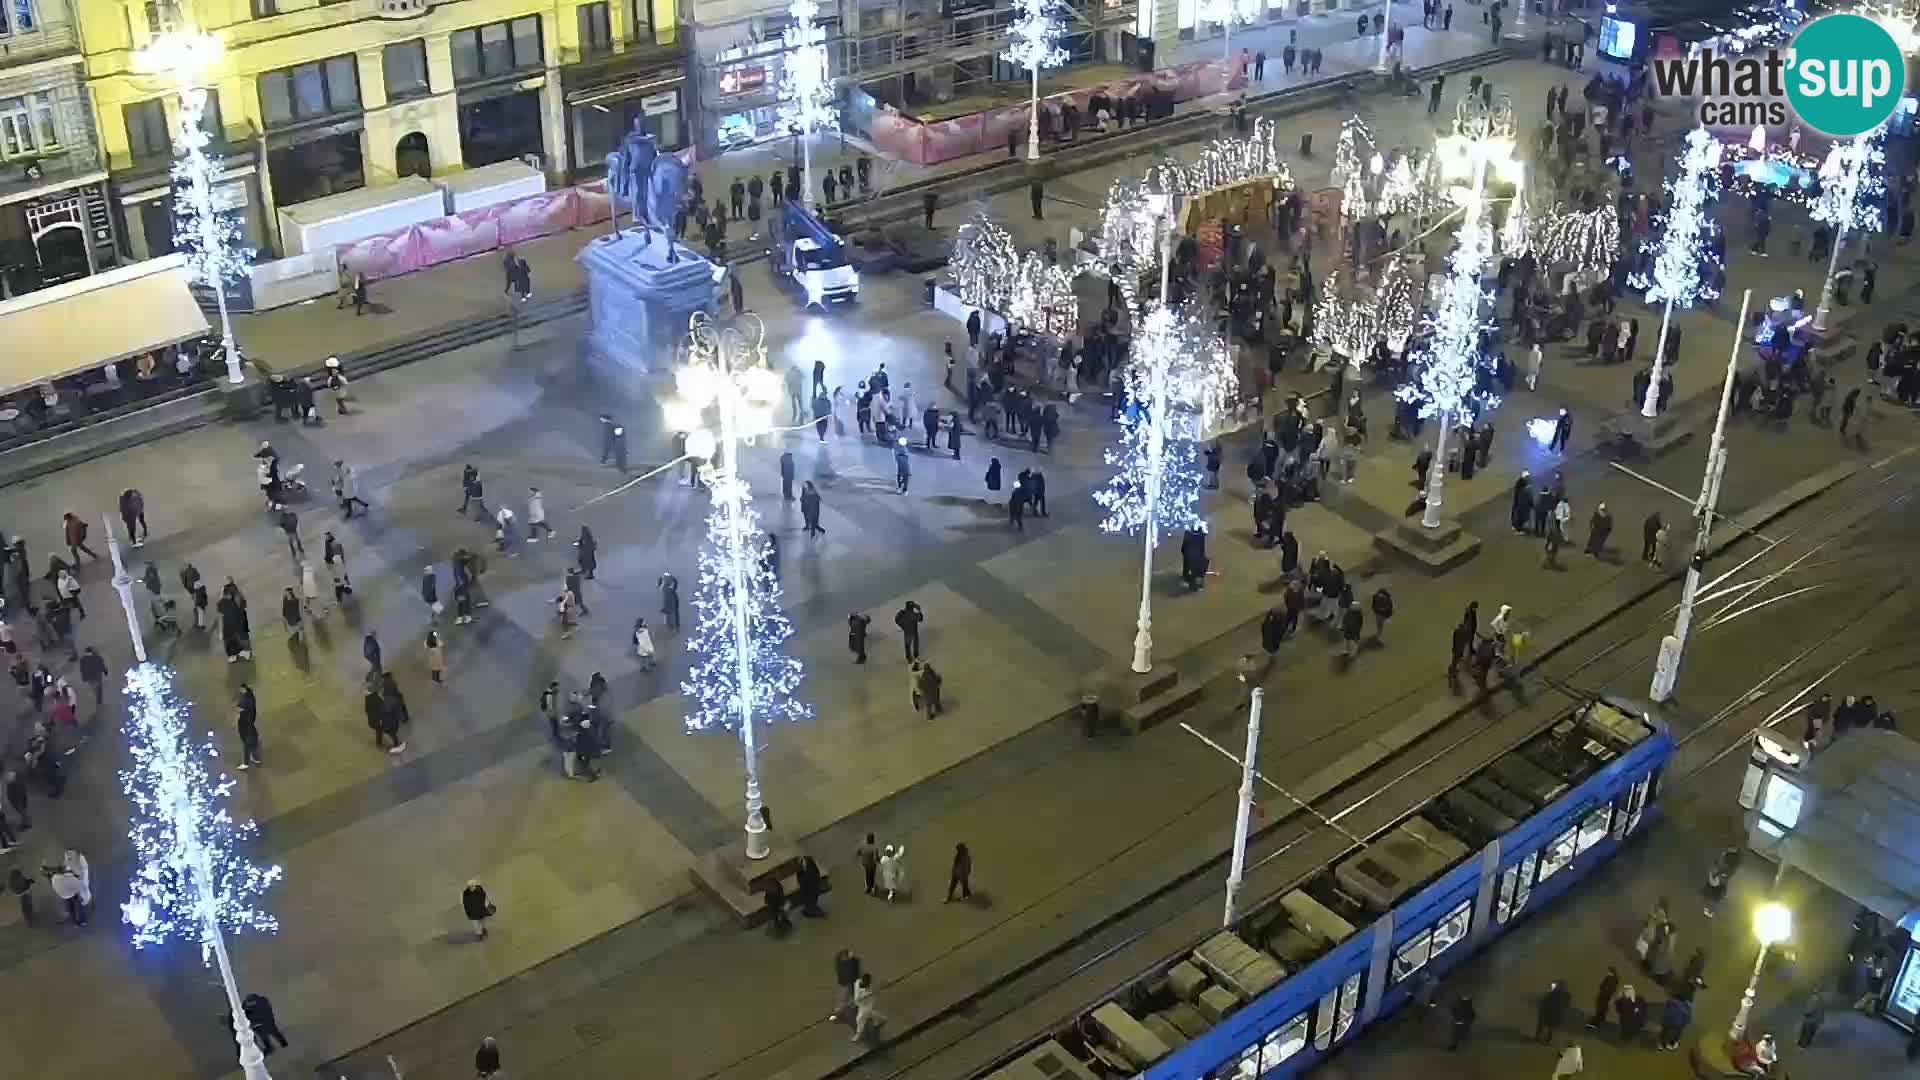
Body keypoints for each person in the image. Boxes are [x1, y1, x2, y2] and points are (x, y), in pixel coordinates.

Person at [235, 685, 262, 769]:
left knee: (247, 745)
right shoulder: (251, 697)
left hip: (246, 727)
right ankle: (254, 758)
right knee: (251, 743)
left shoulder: (245, 701)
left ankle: (246, 763)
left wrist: (238, 708)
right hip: (250, 724)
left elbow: (239, 708)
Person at [832, 949, 862, 1023]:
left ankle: (840, 1013)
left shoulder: (850, 963)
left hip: (851, 984)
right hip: (845, 984)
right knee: (844, 999)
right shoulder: (842, 964)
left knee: (849, 999)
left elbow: (855, 966)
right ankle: (839, 1013)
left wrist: (852, 958)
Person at [851, 972, 882, 1042]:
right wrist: (856, 1001)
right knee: (869, 1014)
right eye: (864, 981)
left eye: (867, 982)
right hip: (860, 1003)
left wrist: (860, 998)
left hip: (867, 1004)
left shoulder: (870, 990)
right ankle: (880, 1019)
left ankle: (859, 1034)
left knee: (859, 1018)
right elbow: (857, 994)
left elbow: (866, 999)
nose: (865, 983)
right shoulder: (857, 983)